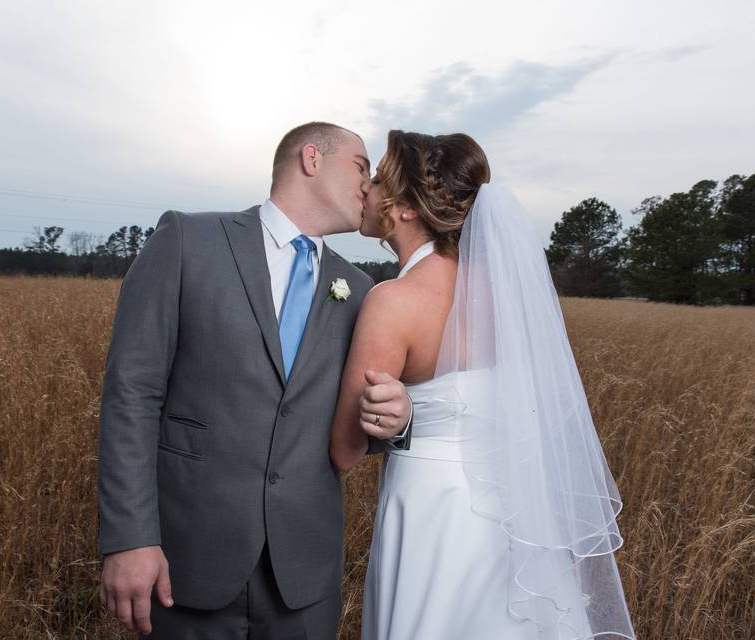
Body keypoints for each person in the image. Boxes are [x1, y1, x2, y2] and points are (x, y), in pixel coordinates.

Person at [97, 122, 413, 639]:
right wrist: (129, 539)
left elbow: (350, 428)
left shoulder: (359, 290)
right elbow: (132, 394)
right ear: (312, 158)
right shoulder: (187, 240)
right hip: (187, 562)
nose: (370, 184)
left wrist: (394, 421)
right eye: (361, 166)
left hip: (304, 578)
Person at [330, 130, 635, 639]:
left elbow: (344, 449)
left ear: (407, 210)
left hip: (433, 511)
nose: (368, 189)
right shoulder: (499, 295)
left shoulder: (393, 301)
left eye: (381, 180)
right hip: (509, 512)